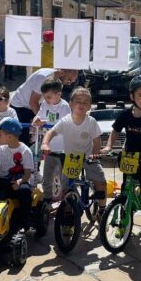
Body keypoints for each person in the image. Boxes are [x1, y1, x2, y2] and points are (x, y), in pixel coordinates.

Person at [41, 87, 107, 215]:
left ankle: (102, 210)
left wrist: (95, 153)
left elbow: (97, 140)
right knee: (67, 189)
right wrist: (45, 144)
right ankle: (68, 216)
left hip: (88, 157)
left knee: (101, 182)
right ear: (71, 103)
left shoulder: (91, 122)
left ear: (89, 106)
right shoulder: (66, 121)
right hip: (71, 159)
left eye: (85, 102)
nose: (81, 104)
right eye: (78, 101)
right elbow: (51, 132)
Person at [103, 76, 141, 214]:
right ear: (132, 96)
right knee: (125, 184)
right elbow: (115, 131)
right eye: (140, 95)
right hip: (129, 153)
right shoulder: (125, 114)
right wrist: (108, 146)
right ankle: (124, 218)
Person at [10, 68, 79, 142]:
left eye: (72, 81)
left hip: (31, 105)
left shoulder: (58, 81)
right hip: (20, 105)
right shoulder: (44, 77)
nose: (69, 83)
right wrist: (43, 120)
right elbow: (33, 102)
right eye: (69, 79)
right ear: (63, 72)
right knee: (24, 138)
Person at [33, 78, 72, 201]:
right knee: (47, 176)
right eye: (44, 97)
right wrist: (37, 120)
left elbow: (65, 124)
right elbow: (38, 116)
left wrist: (47, 122)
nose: (46, 99)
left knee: (63, 177)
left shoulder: (64, 106)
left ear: (58, 94)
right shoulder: (45, 104)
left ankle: (65, 200)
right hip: (49, 148)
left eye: (49, 97)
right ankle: (47, 199)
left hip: (63, 149)